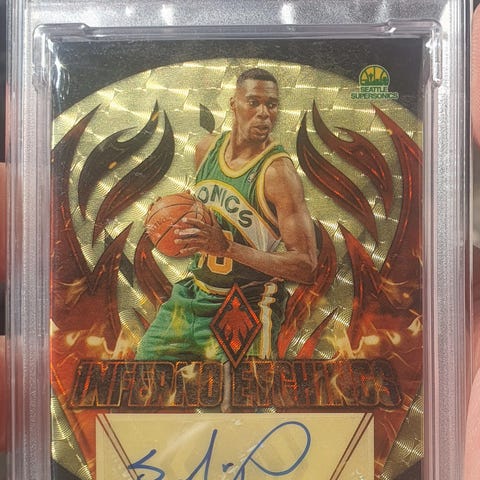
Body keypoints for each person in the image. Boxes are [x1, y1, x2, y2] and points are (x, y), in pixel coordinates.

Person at [136, 68, 318, 362]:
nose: (264, 113)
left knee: (244, 387)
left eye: (271, 105)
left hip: (246, 301)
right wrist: (167, 217)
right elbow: (205, 213)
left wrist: (228, 249)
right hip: (195, 293)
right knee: (142, 372)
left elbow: (306, 266)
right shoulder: (206, 149)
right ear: (234, 103)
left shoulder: (278, 173)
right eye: (253, 102)